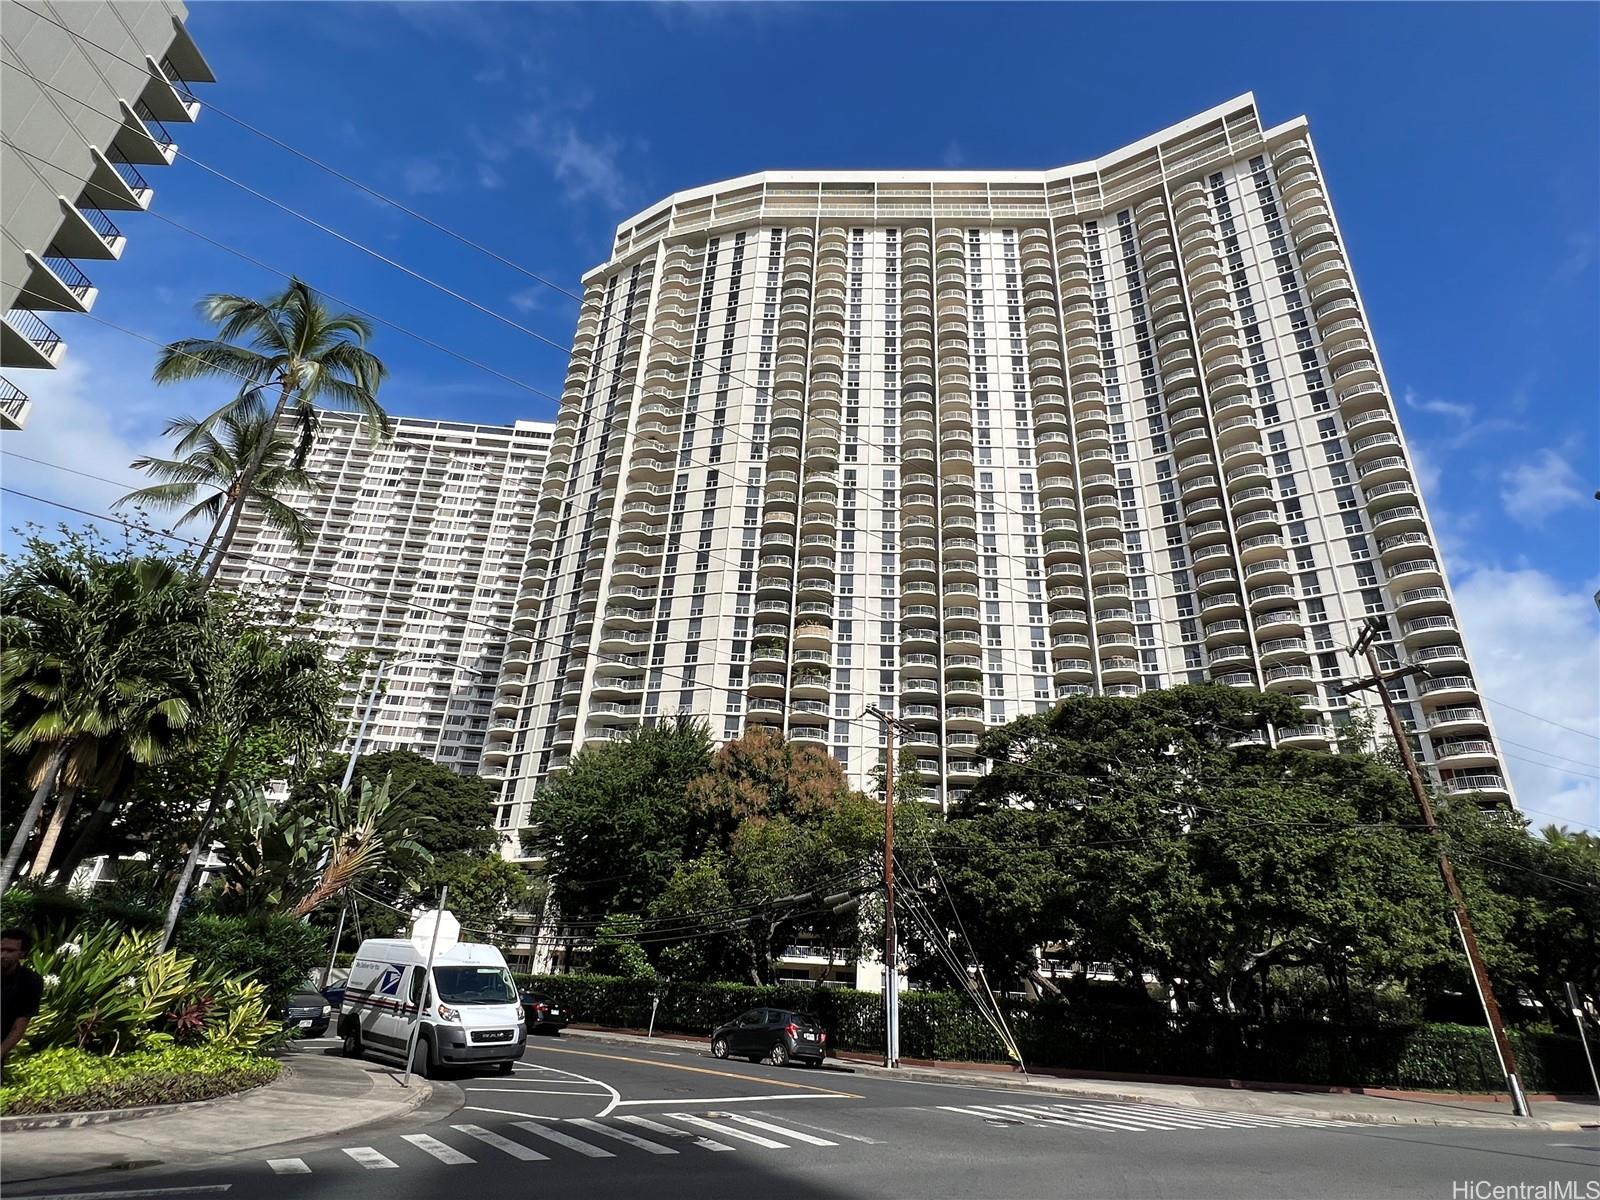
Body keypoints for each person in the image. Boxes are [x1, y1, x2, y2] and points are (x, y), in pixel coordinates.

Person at [1, 926, 44, 1072]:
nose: (3, 955)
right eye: (1, 949)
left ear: (22, 954)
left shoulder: (29, 982)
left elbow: (19, 1026)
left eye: (10, 951)